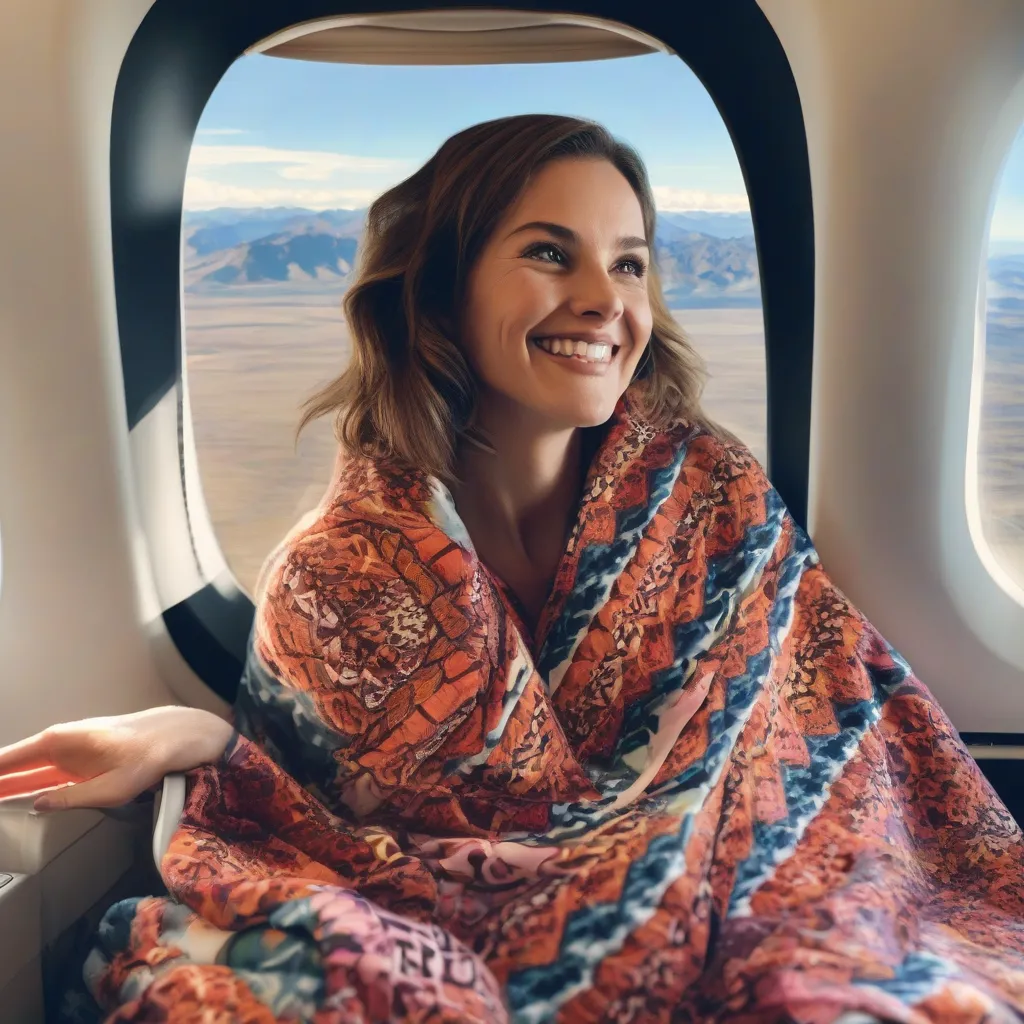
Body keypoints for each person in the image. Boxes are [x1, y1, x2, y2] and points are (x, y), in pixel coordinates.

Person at [2, 114, 1024, 1023]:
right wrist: (198, 738)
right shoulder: (335, 572)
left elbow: (834, 756)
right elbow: (314, 835)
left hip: (756, 908)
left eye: (628, 264)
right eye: (549, 253)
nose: (601, 300)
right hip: (454, 934)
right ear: (440, 289)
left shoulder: (714, 497)